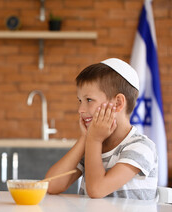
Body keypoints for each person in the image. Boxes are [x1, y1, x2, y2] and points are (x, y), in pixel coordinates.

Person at [45, 58, 158, 200]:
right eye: (80, 101)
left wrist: (94, 140)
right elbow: (51, 185)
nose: (80, 109)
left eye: (89, 100)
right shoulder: (92, 147)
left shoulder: (141, 147)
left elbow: (97, 190)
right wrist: (85, 139)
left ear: (117, 103)